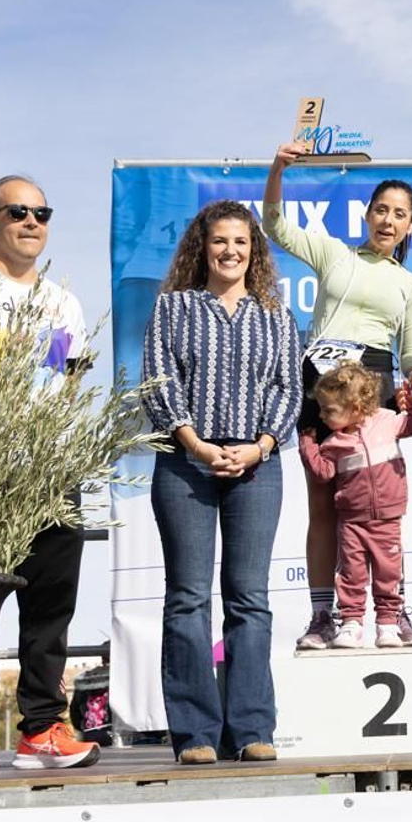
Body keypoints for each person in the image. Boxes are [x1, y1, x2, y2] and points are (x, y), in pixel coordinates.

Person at [142, 200, 299, 763]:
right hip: (187, 463)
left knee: (249, 600)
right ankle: (196, 734)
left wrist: (257, 447)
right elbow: (159, 383)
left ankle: (253, 728)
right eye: (219, 242)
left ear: (253, 251)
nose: (230, 251)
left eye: (241, 242)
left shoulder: (276, 316)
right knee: (187, 599)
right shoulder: (173, 308)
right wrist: (198, 445)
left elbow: (288, 391)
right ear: (201, 248)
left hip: (257, 467)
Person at [0, 174, 99, 769]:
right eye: (17, 211)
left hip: (49, 469)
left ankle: (42, 728)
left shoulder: (65, 300)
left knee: (51, 603)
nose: (32, 222)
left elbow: (68, 384)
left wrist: (59, 451)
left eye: (42, 212)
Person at [264, 145, 412, 648]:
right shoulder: (335, 253)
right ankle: (322, 616)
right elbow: (274, 225)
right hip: (321, 383)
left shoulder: (410, 284)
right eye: (382, 209)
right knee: (323, 505)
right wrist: (279, 169)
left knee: (376, 509)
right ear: (367, 213)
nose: (389, 219)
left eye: (400, 214)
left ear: (409, 226)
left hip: (373, 387)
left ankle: (391, 612)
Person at [298, 364, 412, 649]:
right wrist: (308, 445)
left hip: (388, 519)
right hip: (352, 521)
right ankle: (351, 624)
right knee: (351, 575)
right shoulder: (333, 442)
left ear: (355, 407)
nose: (321, 416)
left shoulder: (387, 420)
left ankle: (388, 624)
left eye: (328, 410)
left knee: (388, 572)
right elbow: (323, 473)